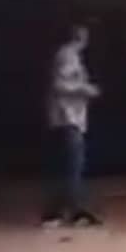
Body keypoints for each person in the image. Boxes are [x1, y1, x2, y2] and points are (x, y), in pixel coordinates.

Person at [41, 25, 102, 227]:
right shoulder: (68, 55)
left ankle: (62, 212)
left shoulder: (71, 55)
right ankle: (67, 213)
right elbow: (59, 85)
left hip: (69, 119)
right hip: (68, 118)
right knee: (71, 167)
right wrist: (85, 89)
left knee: (69, 167)